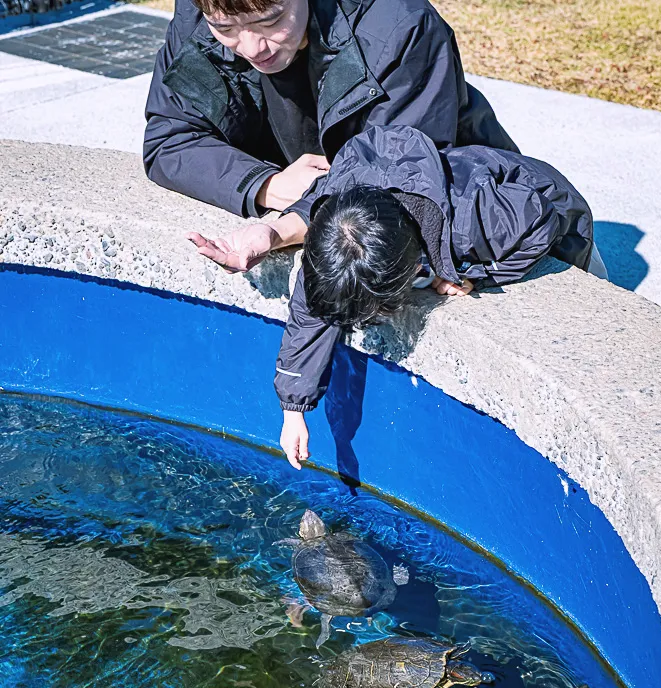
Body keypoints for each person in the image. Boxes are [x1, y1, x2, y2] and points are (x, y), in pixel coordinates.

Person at [190, 125, 605, 470]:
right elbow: (312, 307)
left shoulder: (474, 223)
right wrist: (293, 410)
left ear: (404, 275)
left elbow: (539, 222)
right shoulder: (337, 235)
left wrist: (470, 272)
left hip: (551, 218)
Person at [144, 0, 518, 219]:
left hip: (482, 204)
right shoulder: (203, 14)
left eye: (271, 19)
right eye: (226, 29)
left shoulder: (398, 25)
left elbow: (402, 180)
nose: (253, 46)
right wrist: (264, 184)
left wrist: (298, 214)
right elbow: (170, 141)